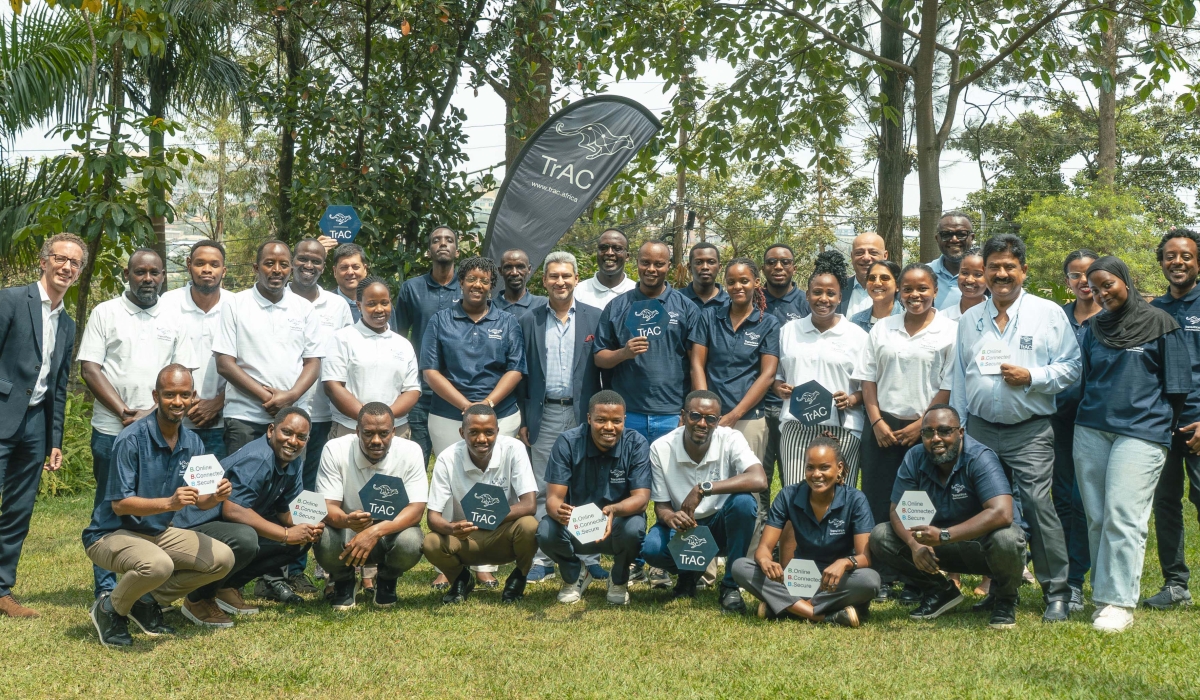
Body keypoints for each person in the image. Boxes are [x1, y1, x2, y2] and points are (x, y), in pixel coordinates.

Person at [948, 233, 1079, 623]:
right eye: (994, 267)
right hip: (981, 431)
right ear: (984, 272)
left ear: (1023, 270)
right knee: (986, 509)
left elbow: (1072, 367)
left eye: (1009, 266)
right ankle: (999, 589)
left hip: (1030, 430)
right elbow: (959, 378)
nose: (1001, 274)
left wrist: (1033, 376)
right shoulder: (971, 320)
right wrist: (959, 428)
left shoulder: (1048, 314)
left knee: (1038, 506)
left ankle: (1057, 591)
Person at [1075, 256, 1192, 632]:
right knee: (1097, 518)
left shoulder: (1162, 324)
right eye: (1094, 288)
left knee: (1124, 515)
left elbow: (1177, 387)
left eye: (1108, 284)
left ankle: (1119, 602)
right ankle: (1103, 595)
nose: (1102, 293)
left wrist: (1166, 428)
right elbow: (1083, 381)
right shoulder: (1092, 328)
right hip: (1091, 429)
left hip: (1142, 431)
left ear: (1125, 280)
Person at [83, 365, 236, 646]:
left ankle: (145, 601)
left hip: (157, 533)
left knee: (222, 558)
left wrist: (215, 496)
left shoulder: (193, 442)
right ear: (156, 396)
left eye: (184, 395)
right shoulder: (131, 439)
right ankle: (109, 609)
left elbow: (200, 500)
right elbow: (120, 505)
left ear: (193, 398)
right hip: (109, 534)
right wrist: (169, 502)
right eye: (170, 394)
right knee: (158, 565)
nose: (177, 402)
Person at [79, 248, 195, 600]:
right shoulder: (106, 312)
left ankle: (140, 579)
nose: (148, 278)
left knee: (152, 506)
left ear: (163, 276)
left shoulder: (175, 318)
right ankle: (106, 588)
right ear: (127, 275)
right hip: (111, 429)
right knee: (110, 507)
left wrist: (149, 416)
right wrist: (126, 413)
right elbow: (90, 368)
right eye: (140, 272)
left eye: (155, 272)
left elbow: (183, 375)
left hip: (158, 433)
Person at [852, 262, 956, 602]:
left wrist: (921, 426)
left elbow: (947, 384)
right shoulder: (883, 329)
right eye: (908, 288)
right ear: (899, 290)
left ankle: (917, 578)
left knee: (918, 506)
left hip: (926, 430)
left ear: (935, 290)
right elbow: (868, 379)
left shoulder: (948, 331)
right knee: (879, 500)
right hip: (882, 427)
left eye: (922, 288)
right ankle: (882, 575)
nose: (915, 295)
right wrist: (877, 421)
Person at [869, 405, 1027, 629]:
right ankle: (940, 591)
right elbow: (896, 510)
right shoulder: (914, 457)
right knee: (881, 535)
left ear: (960, 432)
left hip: (983, 547)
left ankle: (1005, 598)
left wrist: (945, 535)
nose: (936, 439)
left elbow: (1002, 513)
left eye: (944, 431)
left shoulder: (980, 457)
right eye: (928, 433)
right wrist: (915, 544)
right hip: (937, 548)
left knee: (1007, 538)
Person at [0, 233, 83, 618]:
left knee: (18, 510)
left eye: (75, 263)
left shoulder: (67, 323)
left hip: (35, 426)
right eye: (60, 258)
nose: (67, 267)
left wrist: (54, 439)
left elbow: (59, 386)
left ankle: (2, 591)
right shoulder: (11, 300)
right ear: (44, 261)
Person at [174, 407, 324, 607]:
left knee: (301, 540)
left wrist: (308, 526)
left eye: (301, 437)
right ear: (271, 430)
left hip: (224, 527)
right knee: (246, 538)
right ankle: (199, 598)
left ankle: (224, 588)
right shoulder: (260, 457)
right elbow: (233, 509)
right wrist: (286, 534)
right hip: (192, 526)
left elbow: (285, 512)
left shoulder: (293, 461)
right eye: (286, 432)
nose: (293, 441)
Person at [516, 251, 606, 583]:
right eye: (553, 276)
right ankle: (544, 557)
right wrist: (525, 418)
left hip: (584, 413)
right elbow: (521, 374)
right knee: (543, 485)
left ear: (576, 279)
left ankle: (589, 553)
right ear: (544, 281)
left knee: (586, 485)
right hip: (546, 413)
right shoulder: (529, 320)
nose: (560, 282)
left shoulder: (595, 318)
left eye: (566, 276)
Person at [733, 436, 879, 627]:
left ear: (840, 468)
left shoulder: (855, 500)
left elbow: (865, 557)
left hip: (835, 583)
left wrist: (844, 563)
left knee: (870, 580)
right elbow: (764, 549)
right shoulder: (788, 495)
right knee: (740, 567)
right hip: (797, 580)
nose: (816, 474)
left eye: (824, 467)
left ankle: (786, 608)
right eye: (810, 467)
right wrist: (766, 560)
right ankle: (822, 615)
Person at [642, 391, 766, 611]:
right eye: (695, 416)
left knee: (744, 503)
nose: (702, 423)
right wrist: (671, 517)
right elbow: (661, 506)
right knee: (652, 548)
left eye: (710, 419)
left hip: (722, 526)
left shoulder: (730, 438)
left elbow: (759, 479)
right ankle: (688, 576)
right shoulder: (661, 448)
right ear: (683, 416)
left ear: (718, 421)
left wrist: (704, 488)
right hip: (685, 529)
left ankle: (730, 585)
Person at [537, 391, 651, 606]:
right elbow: (553, 499)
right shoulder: (568, 442)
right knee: (545, 530)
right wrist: (559, 511)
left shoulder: (636, 443)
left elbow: (642, 499)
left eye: (616, 421)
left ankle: (618, 579)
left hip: (616, 524)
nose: (609, 427)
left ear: (624, 420)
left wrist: (613, 510)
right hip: (576, 523)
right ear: (589, 419)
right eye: (601, 420)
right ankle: (576, 574)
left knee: (634, 527)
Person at [214, 240, 324, 457]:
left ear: (290, 269)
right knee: (243, 486)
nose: (277, 270)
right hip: (245, 417)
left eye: (283, 264)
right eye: (269, 263)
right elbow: (224, 364)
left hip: (293, 419)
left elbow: (313, 362)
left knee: (289, 489)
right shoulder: (235, 305)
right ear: (256, 268)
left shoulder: (304, 308)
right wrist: (268, 398)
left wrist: (290, 397)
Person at [314, 403, 427, 610]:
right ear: (357, 431)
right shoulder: (335, 449)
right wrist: (347, 520)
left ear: (394, 432)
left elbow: (416, 510)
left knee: (411, 541)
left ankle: (386, 580)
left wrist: (374, 532)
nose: (376, 440)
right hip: (348, 532)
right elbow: (328, 506)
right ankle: (344, 581)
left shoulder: (411, 451)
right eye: (368, 433)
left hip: (391, 531)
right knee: (324, 537)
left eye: (384, 433)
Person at [423, 405, 538, 604]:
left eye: (489, 432)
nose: (482, 439)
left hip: (503, 534)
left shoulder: (514, 449)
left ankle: (519, 577)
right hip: (466, 537)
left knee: (529, 525)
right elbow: (433, 518)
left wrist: (490, 515)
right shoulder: (447, 459)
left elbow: (529, 505)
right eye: (473, 432)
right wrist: (452, 528)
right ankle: (461, 579)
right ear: (462, 433)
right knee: (431, 543)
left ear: (498, 432)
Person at [775, 251, 869, 490]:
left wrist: (850, 399)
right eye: (817, 292)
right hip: (796, 428)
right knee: (797, 496)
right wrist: (781, 389)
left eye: (830, 293)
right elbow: (777, 376)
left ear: (840, 297)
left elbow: (866, 386)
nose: (823, 298)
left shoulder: (857, 336)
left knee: (838, 498)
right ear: (807, 295)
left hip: (843, 429)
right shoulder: (788, 331)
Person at [596, 240, 701, 444]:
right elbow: (599, 358)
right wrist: (623, 353)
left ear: (669, 265)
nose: (651, 269)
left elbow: (696, 365)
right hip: (626, 415)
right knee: (628, 475)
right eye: (645, 263)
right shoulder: (617, 307)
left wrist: (691, 412)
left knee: (670, 476)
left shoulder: (686, 308)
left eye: (659, 264)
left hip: (672, 415)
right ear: (636, 263)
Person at [421, 255, 526, 456]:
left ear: (491, 287)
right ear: (461, 282)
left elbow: (515, 370)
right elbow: (430, 372)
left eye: (484, 281)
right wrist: (466, 406)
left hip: (500, 415)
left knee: (495, 476)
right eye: (471, 279)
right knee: (453, 477)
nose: (477, 285)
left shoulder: (507, 322)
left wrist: (487, 405)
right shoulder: (440, 320)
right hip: (448, 416)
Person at [1147, 229, 1200, 610]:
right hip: (1160, 425)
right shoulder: (1154, 310)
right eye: (1170, 256)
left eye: (1185, 256)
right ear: (1161, 262)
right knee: (1165, 504)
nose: (1177, 262)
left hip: (1199, 424)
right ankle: (1175, 585)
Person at [691, 257, 779, 468]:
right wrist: (707, 411)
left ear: (756, 283)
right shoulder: (709, 317)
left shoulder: (767, 323)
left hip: (749, 418)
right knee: (708, 480)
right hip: (710, 419)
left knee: (747, 486)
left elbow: (767, 375)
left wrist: (734, 416)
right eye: (731, 282)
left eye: (744, 281)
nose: (737, 286)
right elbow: (697, 364)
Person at [1050, 248, 1100, 612]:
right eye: (1075, 275)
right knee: (1063, 500)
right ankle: (1069, 580)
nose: (1083, 281)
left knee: (1088, 502)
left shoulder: (1113, 318)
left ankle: (1087, 579)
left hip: (1098, 423)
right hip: (1057, 421)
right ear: (1066, 280)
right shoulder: (1057, 317)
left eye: (1089, 274)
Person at [159, 240, 233, 459]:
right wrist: (188, 402)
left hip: (224, 420)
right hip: (177, 420)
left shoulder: (236, 306)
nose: (207, 270)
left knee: (215, 489)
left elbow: (247, 363)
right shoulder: (168, 303)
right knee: (176, 489)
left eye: (214, 264)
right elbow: (162, 359)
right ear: (189, 264)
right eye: (200, 263)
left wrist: (216, 404)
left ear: (224, 270)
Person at [324, 276, 421, 442]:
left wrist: (385, 419)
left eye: (384, 303)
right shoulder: (342, 339)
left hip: (395, 430)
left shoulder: (403, 345)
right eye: (371, 304)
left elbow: (412, 390)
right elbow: (333, 386)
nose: (379, 309)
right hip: (350, 429)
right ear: (359, 305)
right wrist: (366, 418)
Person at [395, 226, 461, 464]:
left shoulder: (468, 288)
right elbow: (397, 337)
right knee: (415, 461)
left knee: (456, 463)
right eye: (436, 240)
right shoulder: (412, 288)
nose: (442, 244)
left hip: (458, 391)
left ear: (457, 249)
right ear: (428, 251)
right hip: (420, 391)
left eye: (449, 240)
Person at [758, 243, 811, 537]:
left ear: (794, 267)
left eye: (785, 262)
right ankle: (760, 541)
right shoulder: (753, 300)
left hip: (799, 409)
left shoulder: (807, 301)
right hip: (758, 405)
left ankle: (794, 538)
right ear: (764, 267)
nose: (778, 267)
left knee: (796, 478)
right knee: (760, 478)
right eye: (772, 262)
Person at [574, 228, 636, 309]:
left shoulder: (637, 292)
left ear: (627, 256)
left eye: (617, 248)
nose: (609, 253)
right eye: (603, 248)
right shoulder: (578, 292)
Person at [929, 211, 975, 310]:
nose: (954, 239)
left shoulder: (988, 274)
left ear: (972, 238)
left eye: (961, 234)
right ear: (937, 238)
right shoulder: (924, 273)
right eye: (946, 234)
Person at [839, 233, 889, 318]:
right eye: (859, 253)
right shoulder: (838, 289)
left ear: (885, 256)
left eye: (873, 253)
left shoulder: (898, 293)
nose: (866, 258)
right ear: (852, 256)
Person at [849, 260, 903, 333]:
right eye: (871, 278)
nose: (877, 283)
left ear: (897, 286)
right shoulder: (856, 321)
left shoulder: (908, 321)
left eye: (884, 278)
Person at [494, 248, 548, 317]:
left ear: (529, 269)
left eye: (520, 267)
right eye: (508, 267)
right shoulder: (489, 307)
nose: (514, 273)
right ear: (500, 271)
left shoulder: (543, 304)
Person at [941, 247, 987, 323]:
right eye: (964, 273)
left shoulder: (998, 317)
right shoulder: (943, 318)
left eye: (978, 274)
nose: (969, 280)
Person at [680, 243, 729, 309]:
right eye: (698, 262)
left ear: (719, 268)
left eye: (711, 262)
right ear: (689, 267)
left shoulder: (730, 302)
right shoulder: (676, 299)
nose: (705, 267)